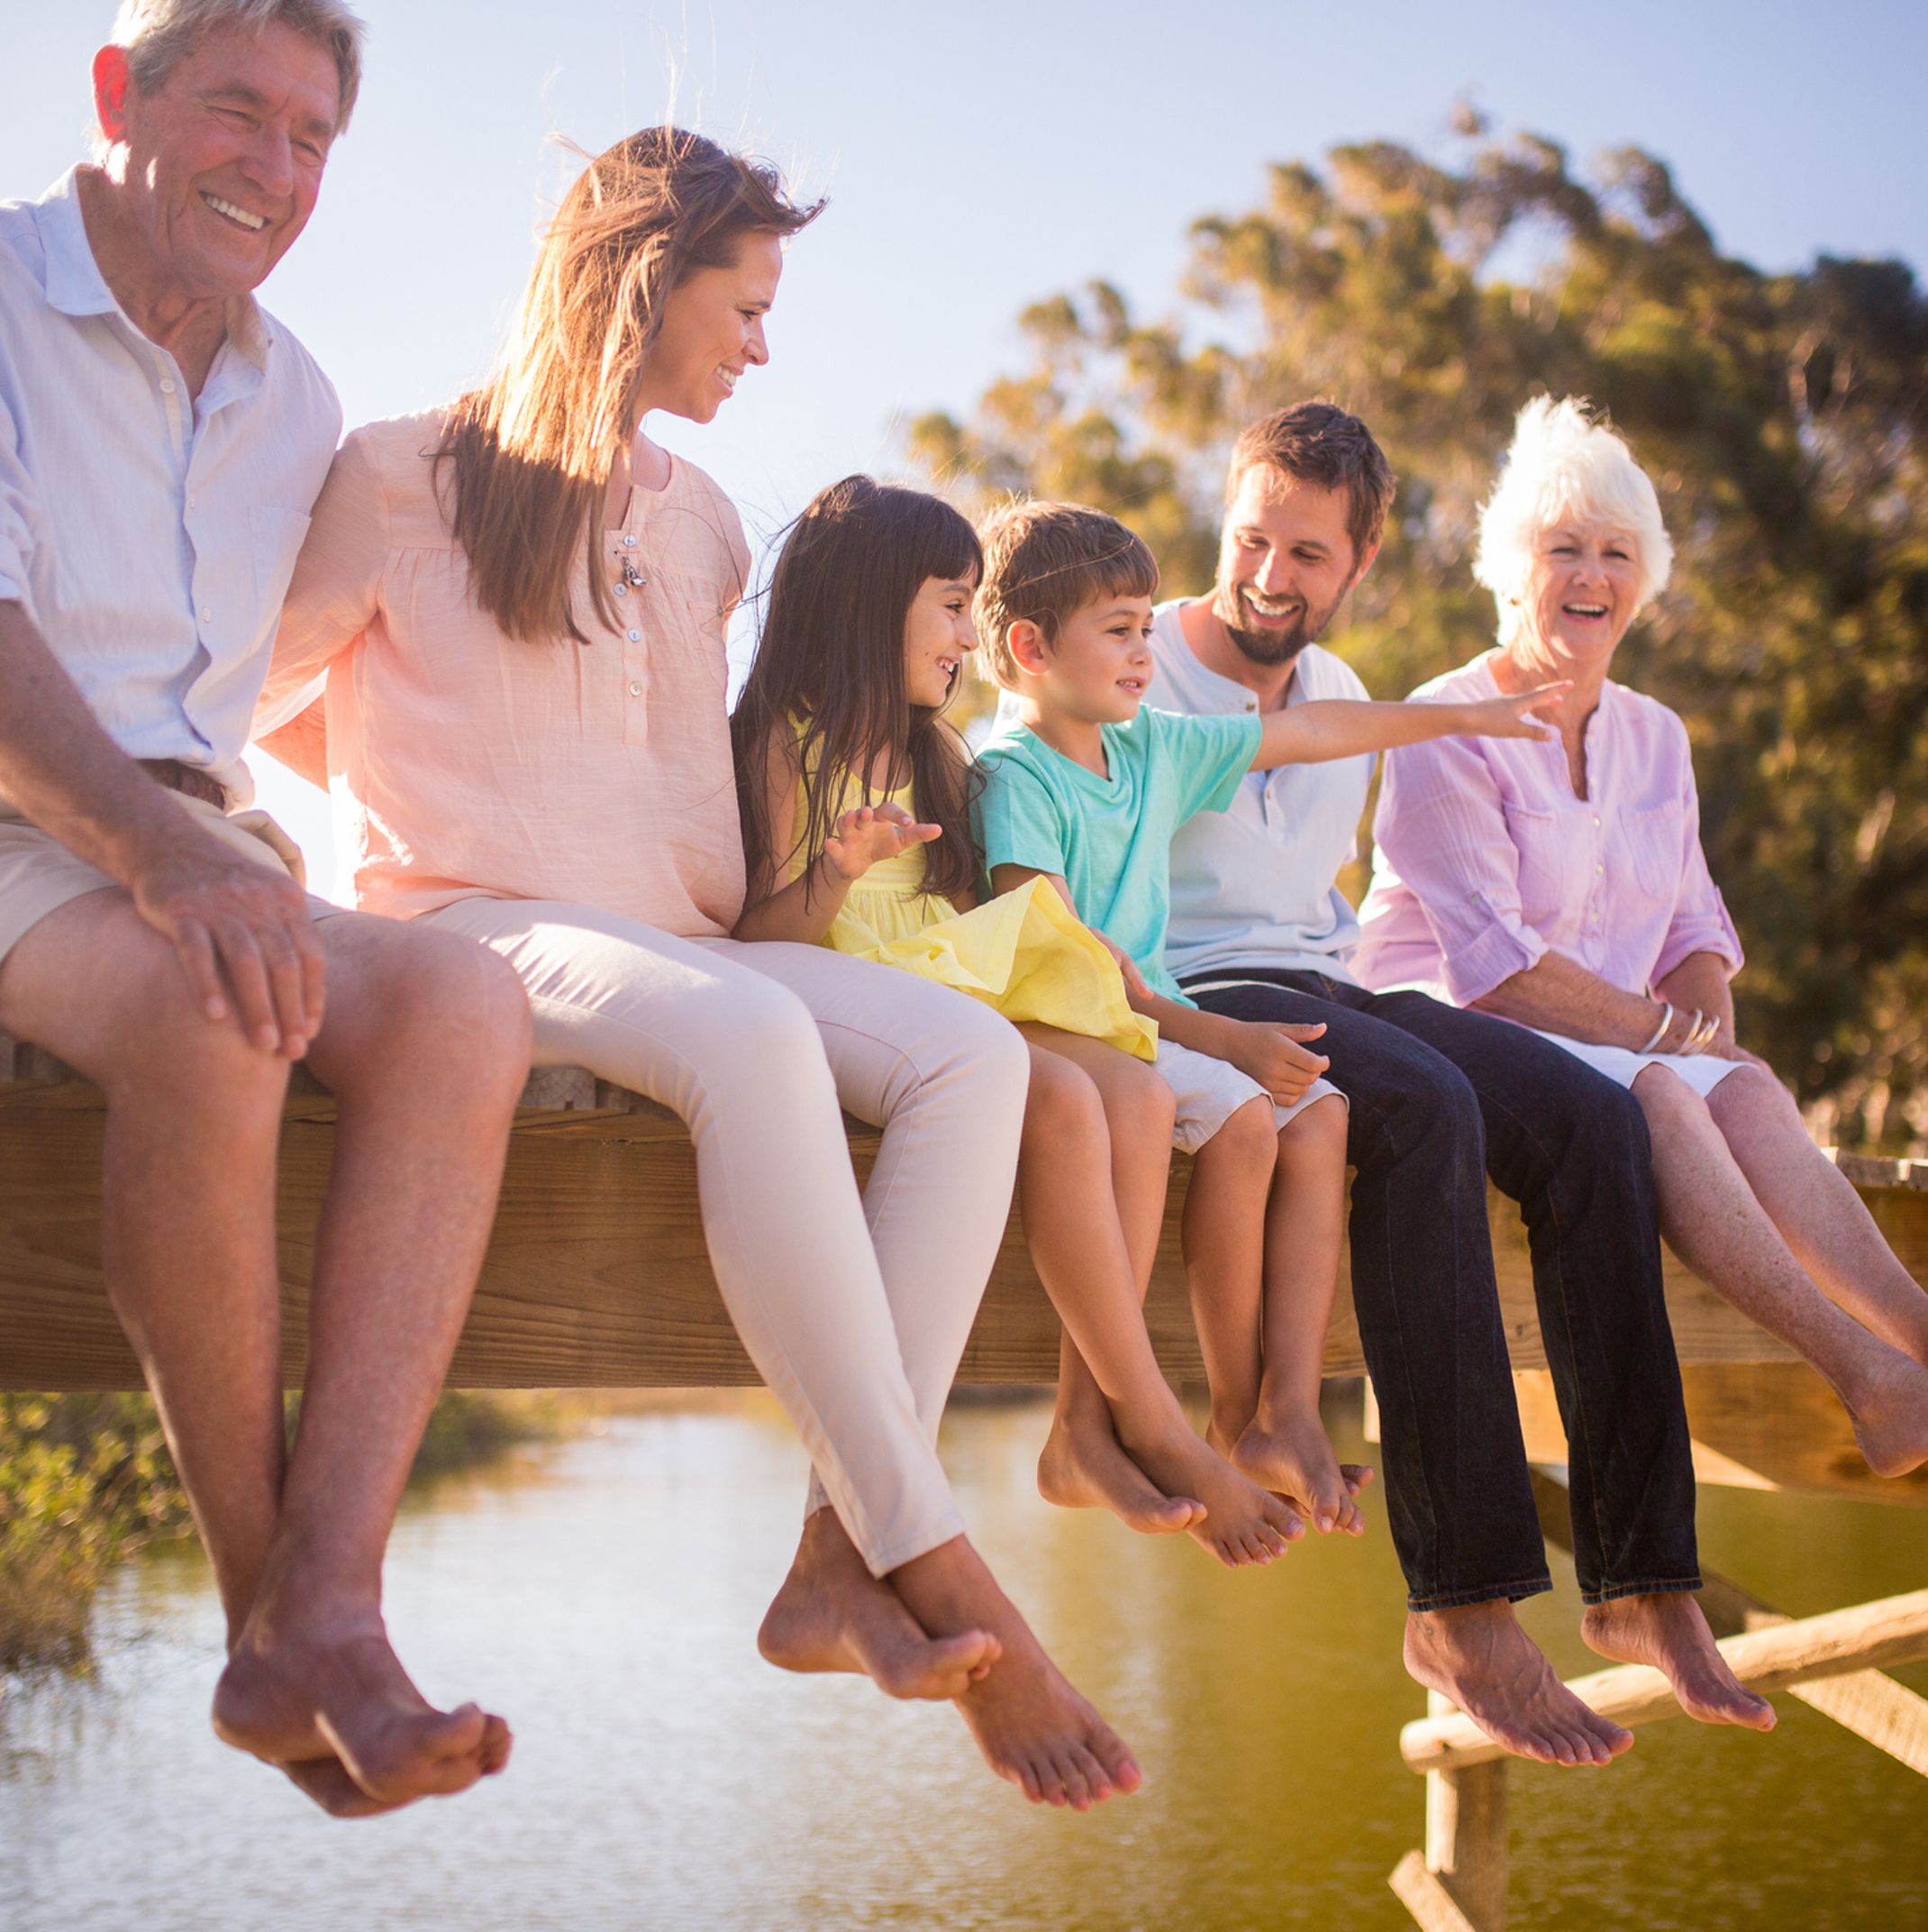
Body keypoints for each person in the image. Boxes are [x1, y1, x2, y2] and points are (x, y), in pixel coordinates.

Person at [259, 131, 1139, 1812]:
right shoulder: (396, 474)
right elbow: (257, 694)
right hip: (474, 929)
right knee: (746, 1030)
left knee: (974, 1058)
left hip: (685, 949)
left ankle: (831, 1555)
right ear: (645, 281)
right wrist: (412, 807)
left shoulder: (712, 523)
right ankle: (943, 1562)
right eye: (745, 303)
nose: (762, 344)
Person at [0, 0, 535, 1818]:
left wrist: (233, 848)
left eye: (313, 139)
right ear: (113, 96)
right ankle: (282, 1632)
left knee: (465, 1006)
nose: (276, 171)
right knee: (221, 1004)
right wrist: (165, 858)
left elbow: (251, 699)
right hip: (19, 828)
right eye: (236, 112)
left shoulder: (293, 397)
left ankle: (325, 1606)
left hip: (190, 844)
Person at [1140, 399, 1775, 1765]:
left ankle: (1645, 1578)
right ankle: (1463, 1602)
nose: (1271, 576)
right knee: (1426, 1108)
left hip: (1321, 979)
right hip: (1185, 987)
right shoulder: (1133, 657)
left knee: (1595, 1119)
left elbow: (1330, 901)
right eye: (1254, 539)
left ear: (1360, 559)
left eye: (1310, 553)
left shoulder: (1336, 689)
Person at [969, 500, 1566, 1547]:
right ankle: (1162, 1418)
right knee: (1239, 1116)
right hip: (1084, 1023)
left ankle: (1268, 1414)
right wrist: (1217, 1037)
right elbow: (1061, 960)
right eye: (1119, 629)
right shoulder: (1010, 776)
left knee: (1316, 1116)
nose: (1145, 652)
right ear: (1029, 647)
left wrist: (1461, 720)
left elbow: (1309, 729)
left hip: (1146, 1016)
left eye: (1148, 626)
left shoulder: (1147, 745)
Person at [732, 475, 1304, 1567]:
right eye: (950, 604)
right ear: (868, 601)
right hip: (859, 988)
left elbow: (968, 910)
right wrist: (839, 868)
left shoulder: (934, 751)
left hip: (953, 975)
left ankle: (1086, 1424)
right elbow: (762, 934)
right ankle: (1152, 1418)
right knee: (1060, 1097)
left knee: (1131, 1088)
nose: (965, 634)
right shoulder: (779, 740)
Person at [1358, 395, 1928, 1481]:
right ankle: (1868, 1376)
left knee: (1749, 1085)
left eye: (1615, 552)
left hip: (1616, 1040)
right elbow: (1497, 973)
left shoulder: (1657, 736)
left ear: (1644, 581)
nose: (1590, 574)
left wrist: (1703, 1028)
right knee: (1668, 1091)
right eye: (1561, 547)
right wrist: (1672, 1039)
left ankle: (1922, 1342)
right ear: (1508, 570)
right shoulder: (1445, 721)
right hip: (1449, 1032)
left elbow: (1691, 925)